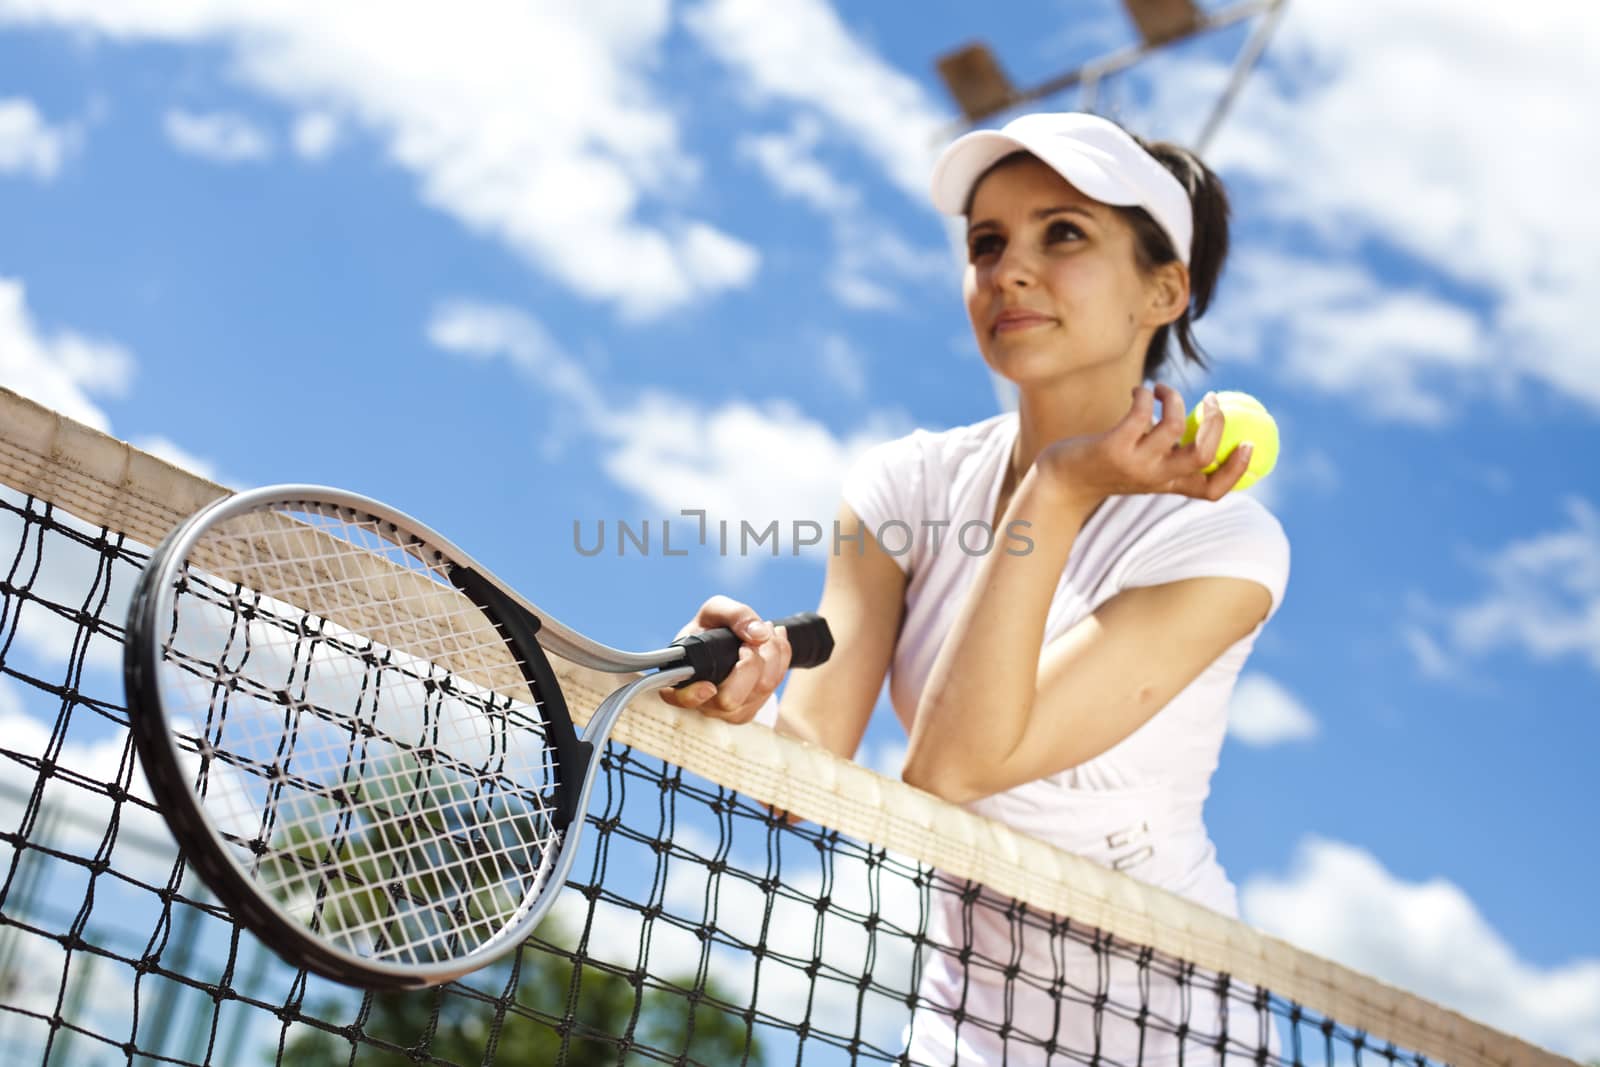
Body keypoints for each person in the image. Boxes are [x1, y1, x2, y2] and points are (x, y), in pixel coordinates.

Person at [660, 111, 1290, 1064]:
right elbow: (811, 768)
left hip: (1177, 1032)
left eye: (1063, 233)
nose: (1010, 270)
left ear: (1165, 289)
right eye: (986, 243)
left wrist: (1062, 485)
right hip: (968, 1030)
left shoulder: (1223, 541)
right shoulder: (905, 487)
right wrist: (739, 705)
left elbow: (951, 768)